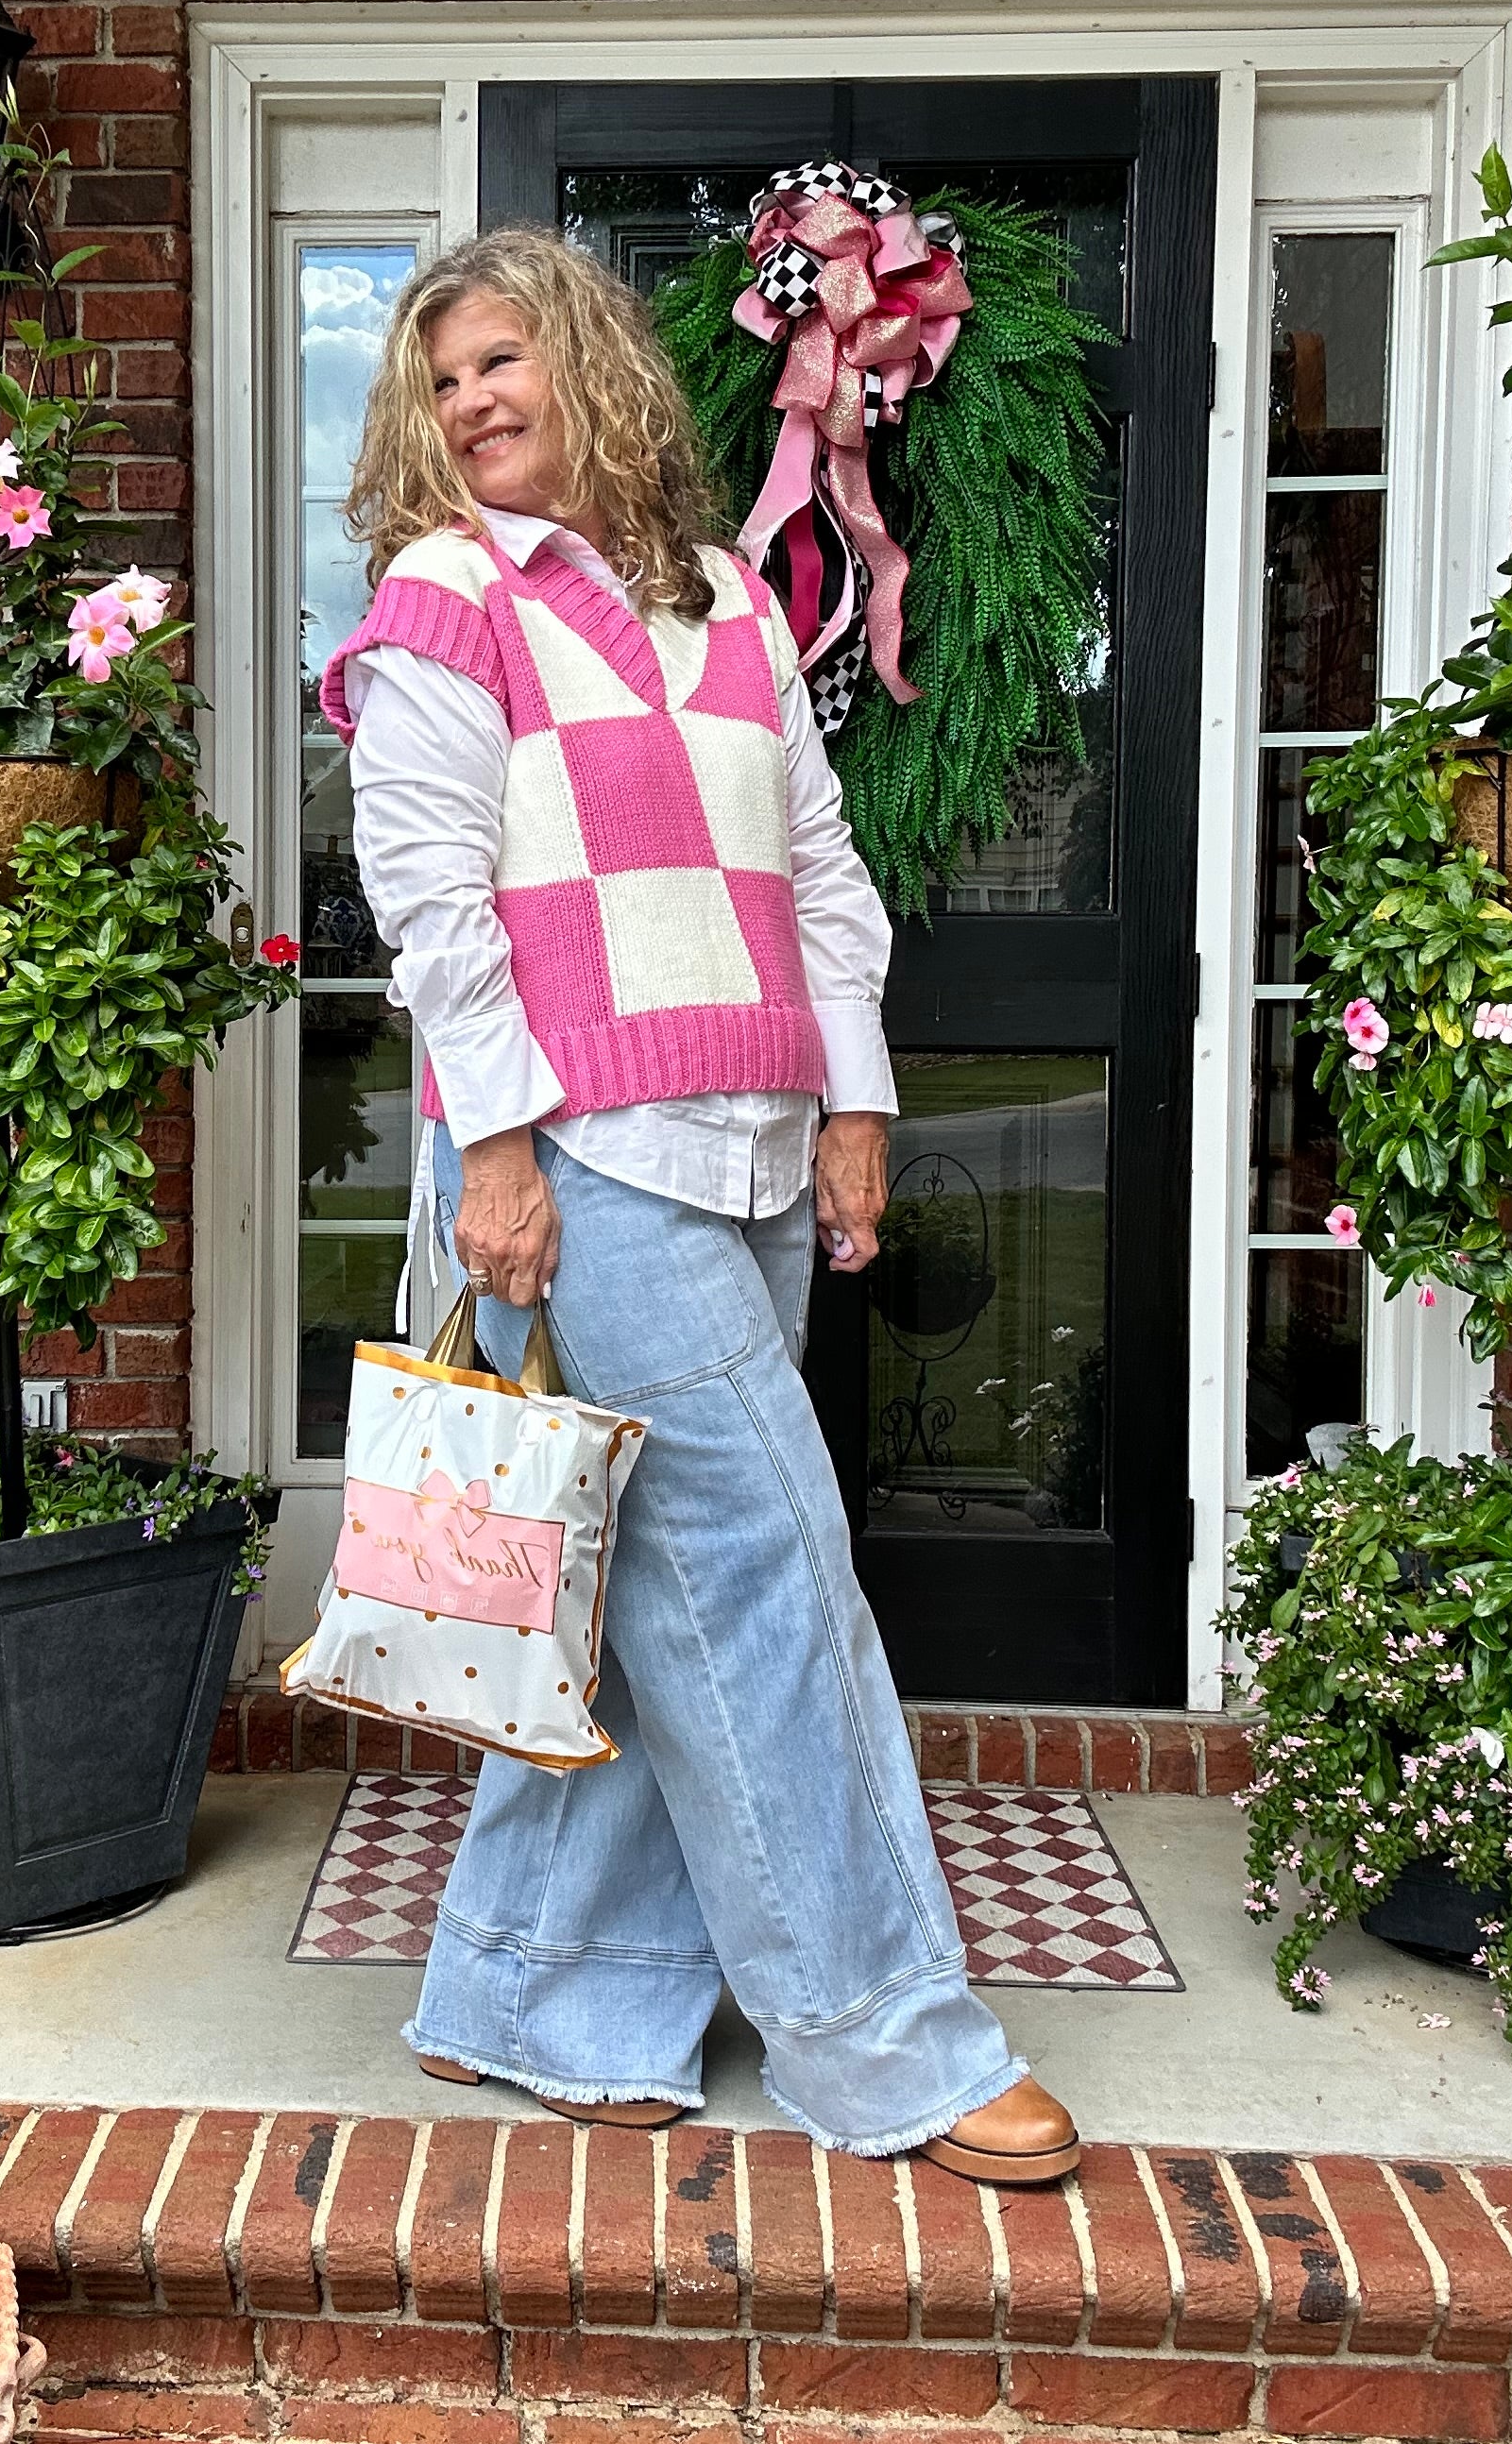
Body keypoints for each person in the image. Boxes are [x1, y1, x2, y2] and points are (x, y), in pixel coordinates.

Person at [316, 226, 1078, 2183]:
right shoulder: (444, 600)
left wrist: (857, 1103)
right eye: (441, 380)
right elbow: (434, 914)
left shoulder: (737, 603)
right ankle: (882, 2032)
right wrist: (491, 1155)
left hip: (747, 1152)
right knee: (771, 1578)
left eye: (502, 359)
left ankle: (524, 1982)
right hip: (584, 1167)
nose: (472, 401)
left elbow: (824, 881)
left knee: (651, 1591)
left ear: (587, 363)